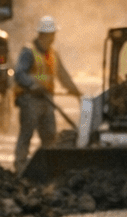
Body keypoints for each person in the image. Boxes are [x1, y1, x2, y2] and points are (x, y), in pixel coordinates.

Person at [13, 15, 82, 174]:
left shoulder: (53, 54)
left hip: (46, 100)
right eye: (52, 35)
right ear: (43, 35)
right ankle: (20, 168)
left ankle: (49, 170)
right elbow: (19, 74)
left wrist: (75, 91)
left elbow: (63, 75)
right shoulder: (28, 52)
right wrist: (32, 84)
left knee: (50, 135)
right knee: (26, 134)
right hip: (30, 99)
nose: (53, 39)